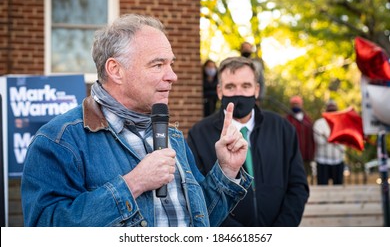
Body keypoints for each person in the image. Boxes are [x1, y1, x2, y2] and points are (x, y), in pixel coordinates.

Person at [21, 14, 252, 227]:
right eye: (158, 64)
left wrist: (226, 171)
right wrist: (133, 183)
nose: (172, 76)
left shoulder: (172, 136)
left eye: (171, 64)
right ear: (115, 70)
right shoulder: (59, 140)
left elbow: (202, 221)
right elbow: (45, 229)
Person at [187, 57, 309, 227]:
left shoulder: (282, 129)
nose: (238, 93)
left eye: (246, 86)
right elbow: (197, 195)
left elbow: (298, 186)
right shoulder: (199, 134)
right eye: (230, 87)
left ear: (256, 90)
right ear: (220, 91)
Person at [313, 100, 346, 185]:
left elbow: (343, 139)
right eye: (330, 109)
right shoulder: (319, 123)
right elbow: (319, 140)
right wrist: (333, 138)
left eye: (333, 109)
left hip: (338, 159)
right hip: (322, 160)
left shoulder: (342, 123)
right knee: (322, 186)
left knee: (338, 186)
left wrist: (327, 137)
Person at [285, 96, 315, 184]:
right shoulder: (287, 119)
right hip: (291, 155)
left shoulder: (307, 120)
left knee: (304, 177)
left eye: (297, 104)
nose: (295, 106)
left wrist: (311, 154)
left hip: (305, 155)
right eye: (293, 104)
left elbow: (311, 138)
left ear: (301, 105)